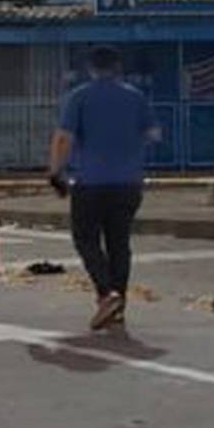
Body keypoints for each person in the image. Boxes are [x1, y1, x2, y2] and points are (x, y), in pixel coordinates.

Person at [47, 46, 157, 331]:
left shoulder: (79, 97)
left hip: (91, 182)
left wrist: (56, 172)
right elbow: (153, 134)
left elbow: (63, 138)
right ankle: (118, 305)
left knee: (85, 238)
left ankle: (106, 293)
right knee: (119, 243)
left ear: (91, 68)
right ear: (118, 67)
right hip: (128, 183)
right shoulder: (136, 97)